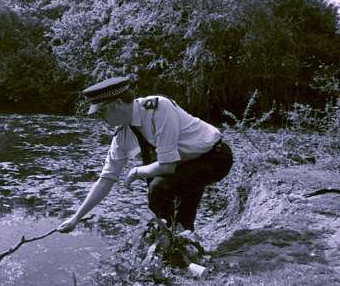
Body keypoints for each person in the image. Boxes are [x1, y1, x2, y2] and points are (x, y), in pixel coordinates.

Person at [58, 76, 233, 233]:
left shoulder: (158, 108)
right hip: (185, 164)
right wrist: (76, 218)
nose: (101, 118)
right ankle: (179, 248)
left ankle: (171, 243)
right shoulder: (122, 135)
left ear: (118, 103)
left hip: (213, 158)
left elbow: (167, 165)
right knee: (180, 224)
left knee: (158, 189)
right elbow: (106, 179)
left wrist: (136, 171)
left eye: (102, 112)